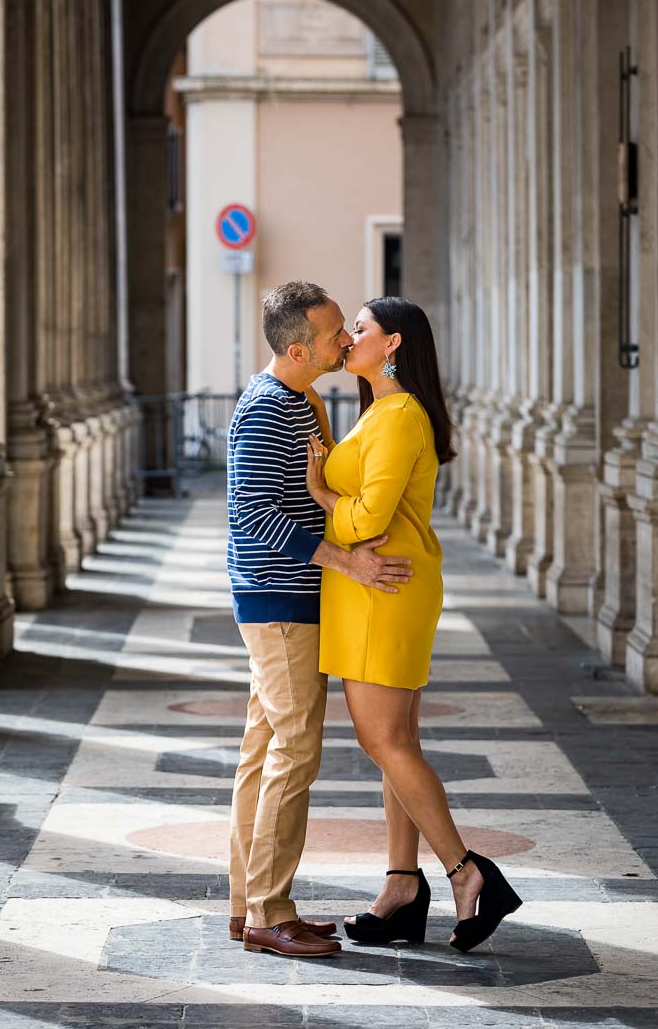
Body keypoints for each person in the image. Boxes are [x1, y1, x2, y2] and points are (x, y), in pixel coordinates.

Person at [306, 296, 522, 953]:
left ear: (393, 343)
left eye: (361, 329)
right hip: (379, 591)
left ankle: (467, 873)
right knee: (394, 745)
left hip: (383, 593)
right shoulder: (383, 411)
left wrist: (320, 491)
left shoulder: (398, 415)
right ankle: (402, 888)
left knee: (387, 744)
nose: (348, 339)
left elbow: (368, 518)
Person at [227, 281, 413, 959]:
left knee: (264, 750)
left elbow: (303, 498)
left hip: (291, 597)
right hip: (279, 602)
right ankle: (271, 913)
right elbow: (251, 513)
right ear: (300, 347)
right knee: (295, 749)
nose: (345, 339)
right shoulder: (268, 408)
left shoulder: (300, 398)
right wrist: (344, 560)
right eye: (336, 331)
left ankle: (249, 904)